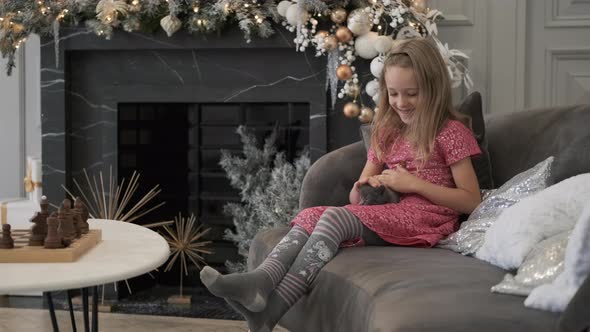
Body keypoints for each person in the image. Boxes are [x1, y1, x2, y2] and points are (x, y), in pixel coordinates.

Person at [200, 37, 482, 332]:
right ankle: (262, 280)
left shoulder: (450, 132)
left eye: (411, 93)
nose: (401, 103)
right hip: (395, 213)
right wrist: (367, 186)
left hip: (430, 220)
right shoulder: (386, 132)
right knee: (311, 215)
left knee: (335, 216)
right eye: (394, 94)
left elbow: (471, 200)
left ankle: (273, 307)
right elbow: (355, 197)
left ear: (433, 89)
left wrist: (413, 184)